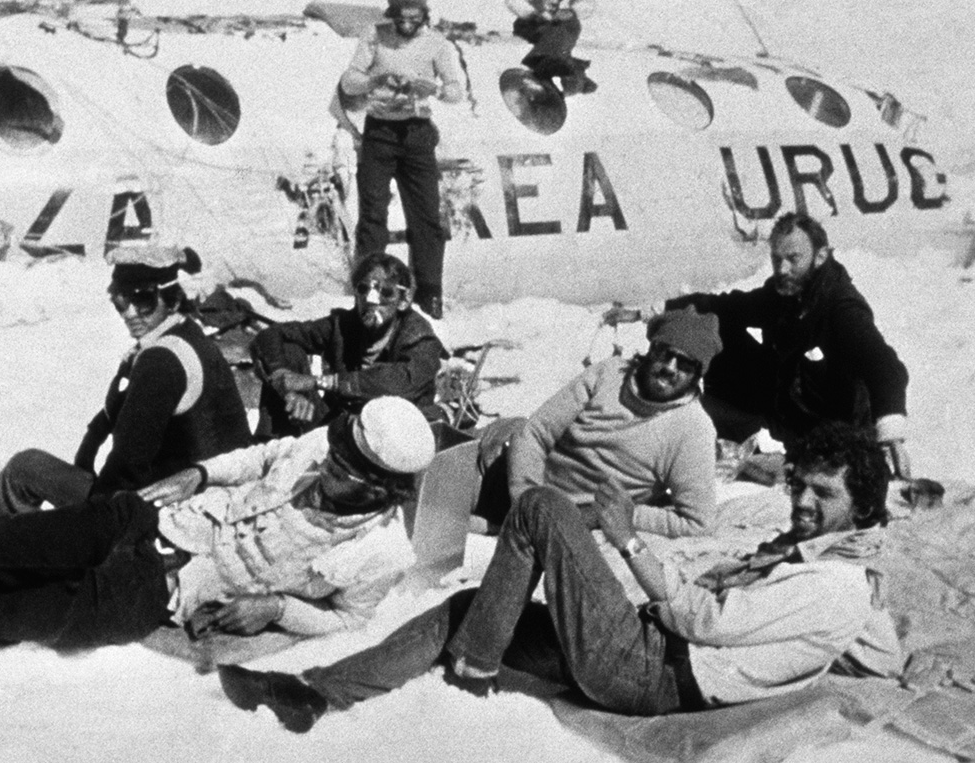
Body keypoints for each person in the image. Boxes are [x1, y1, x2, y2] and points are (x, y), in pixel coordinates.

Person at [217, 421, 904, 732]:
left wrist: (630, 540)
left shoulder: (836, 582)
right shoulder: (817, 559)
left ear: (863, 508)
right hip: (649, 650)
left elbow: (705, 622)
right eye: (803, 487)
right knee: (470, 605)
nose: (804, 503)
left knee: (541, 508)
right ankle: (314, 696)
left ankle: (479, 662)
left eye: (824, 495)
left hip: (656, 673)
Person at [0, 397, 436, 679]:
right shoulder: (327, 443)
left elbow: (349, 616)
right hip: (146, 522)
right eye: (333, 452)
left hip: (156, 591)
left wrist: (277, 610)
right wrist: (197, 472)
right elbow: (260, 456)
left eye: (343, 472)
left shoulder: (383, 552)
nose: (324, 467)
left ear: (381, 489)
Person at [0, 245, 252, 516]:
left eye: (143, 299)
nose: (129, 312)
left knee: (25, 467)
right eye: (120, 300)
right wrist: (89, 448)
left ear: (171, 298)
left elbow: (127, 464)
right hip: (211, 490)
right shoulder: (185, 333)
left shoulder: (161, 360)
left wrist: (91, 519)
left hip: (169, 507)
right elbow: (117, 411)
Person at [605, 212, 911, 476]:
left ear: (821, 257)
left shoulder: (842, 307)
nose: (782, 269)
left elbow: (885, 365)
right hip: (787, 406)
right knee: (722, 326)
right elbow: (726, 306)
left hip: (829, 428)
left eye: (793, 259)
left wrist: (891, 437)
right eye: (777, 258)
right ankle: (724, 426)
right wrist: (647, 312)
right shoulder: (786, 292)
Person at [475, 308, 723, 538]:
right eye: (664, 353)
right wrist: (525, 502)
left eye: (685, 363)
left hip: (570, 522)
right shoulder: (608, 375)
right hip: (511, 482)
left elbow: (697, 522)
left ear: (697, 375)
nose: (670, 367)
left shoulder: (693, 429)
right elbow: (534, 434)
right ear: (651, 349)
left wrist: (612, 514)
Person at [339, 0, 466, 320]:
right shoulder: (374, 35)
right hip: (379, 133)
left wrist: (435, 89)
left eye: (415, 18)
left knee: (426, 218)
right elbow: (349, 81)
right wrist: (372, 83)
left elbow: (457, 91)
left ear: (424, 16)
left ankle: (430, 293)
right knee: (372, 218)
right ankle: (366, 292)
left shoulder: (436, 43)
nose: (407, 24)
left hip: (416, 133)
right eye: (401, 18)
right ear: (391, 15)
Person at [250, 251, 445, 440]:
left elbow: (401, 381)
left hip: (392, 437)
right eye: (363, 289)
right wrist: (285, 384)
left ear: (403, 301)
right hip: (343, 427)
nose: (371, 300)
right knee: (288, 350)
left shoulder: (419, 338)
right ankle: (269, 447)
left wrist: (319, 381)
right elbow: (271, 335)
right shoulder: (344, 325)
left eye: (386, 293)